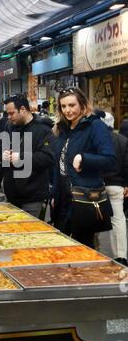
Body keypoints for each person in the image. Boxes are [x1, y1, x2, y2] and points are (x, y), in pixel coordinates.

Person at [52, 88, 116, 248]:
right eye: (63, 106)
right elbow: (59, 164)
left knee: (83, 248)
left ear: (82, 104)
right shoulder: (63, 129)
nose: (67, 110)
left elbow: (110, 159)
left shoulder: (95, 126)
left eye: (72, 105)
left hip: (84, 199)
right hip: (62, 200)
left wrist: (84, 158)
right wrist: (54, 193)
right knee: (61, 247)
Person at [2, 95, 55, 218]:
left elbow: (48, 157)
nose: (9, 117)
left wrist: (21, 158)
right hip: (11, 196)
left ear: (23, 109)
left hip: (32, 198)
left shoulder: (42, 129)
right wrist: (5, 154)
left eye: (11, 113)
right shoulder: (10, 126)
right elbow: (5, 150)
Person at [101, 112, 128, 266]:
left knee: (93, 217)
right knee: (118, 219)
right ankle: (120, 255)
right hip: (116, 185)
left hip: (96, 185)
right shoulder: (122, 140)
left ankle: (94, 248)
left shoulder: (96, 139)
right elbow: (126, 164)